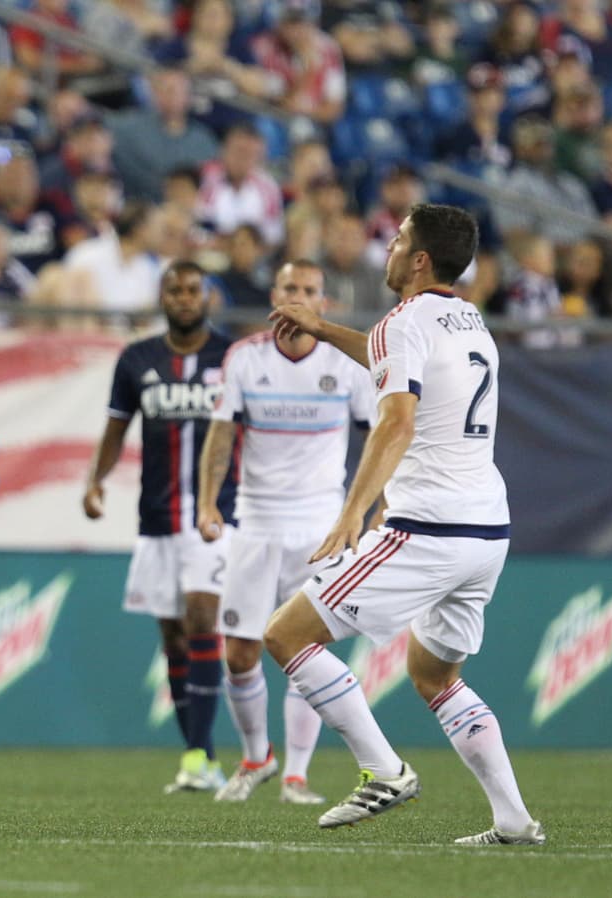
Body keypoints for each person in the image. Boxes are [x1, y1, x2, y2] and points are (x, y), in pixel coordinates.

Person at [265, 203, 545, 846]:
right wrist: (327, 328)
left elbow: (396, 420)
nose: (385, 248)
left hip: (429, 528)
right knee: (434, 675)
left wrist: (353, 512)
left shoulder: (402, 321)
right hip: (487, 531)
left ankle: (384, 770)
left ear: (418, 259)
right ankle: (512, 821)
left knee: (286, 636)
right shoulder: (469, 319)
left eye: (395, 239)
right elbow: (395, 360)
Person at [197, 260, 375, 805]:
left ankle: (297, 775)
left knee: (307, 650)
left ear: (324, 302)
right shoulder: (245, 358)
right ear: (274, 296)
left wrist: (371, 509)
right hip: (256, 521)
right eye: (290, 288)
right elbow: (221, 436)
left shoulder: (346, 363)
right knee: (240, 654)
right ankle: (257, 759)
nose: (299, 297)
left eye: (309, 290)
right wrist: (208, 503)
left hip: (320, 528)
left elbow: (379, 438)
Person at [82, 260, 236, 794]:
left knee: (201, 615)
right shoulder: (137, 358)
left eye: (193, 289)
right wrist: (96, 481)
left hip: (217, 513)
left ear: (208, 297)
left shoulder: (232, 357)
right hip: (157, 516)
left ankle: (201, 755)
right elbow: (116, 427)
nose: (184, 297)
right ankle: (199, 754)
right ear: (162, 298)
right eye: (175, 289)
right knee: (172, 634)